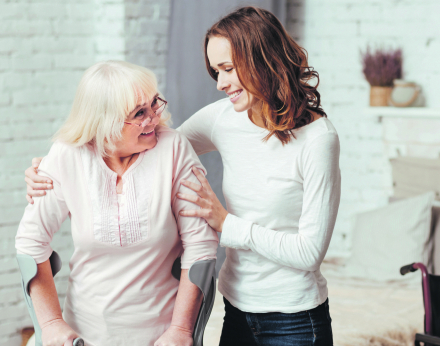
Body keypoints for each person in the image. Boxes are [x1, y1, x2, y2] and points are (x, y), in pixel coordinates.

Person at [26, 6, 340, 346]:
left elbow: (309, 253)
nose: (220, 84)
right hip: (236, 308)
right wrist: (59, 165)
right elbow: (157, 146)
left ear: (261, 60)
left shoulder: (318, 140)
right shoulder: (224, 118)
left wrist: (225, 222)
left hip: (294, 317)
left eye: (227, 69)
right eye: (215, 72)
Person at [18, 60, 218, 346]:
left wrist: (182, 331)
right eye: (139, 113)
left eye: (153, 105)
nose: (153, 118)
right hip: (83, 335)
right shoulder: (67, 156)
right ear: (104, 121)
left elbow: (200, 248)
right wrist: (50, 324)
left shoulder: (173, 149)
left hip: (161, 336)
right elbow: (30, 243)